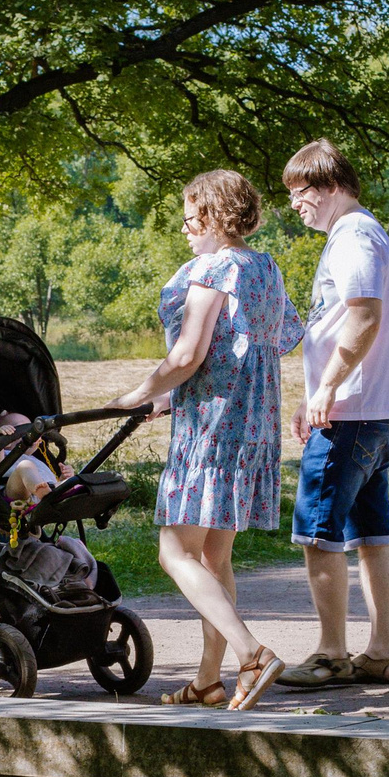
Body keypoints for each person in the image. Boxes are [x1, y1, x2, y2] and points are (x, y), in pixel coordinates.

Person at [103, 169, 305, 710]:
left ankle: (252, 654)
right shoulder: (265, 267)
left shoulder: (213, 269)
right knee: (216, 558)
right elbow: (271, 340)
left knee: (175, 552)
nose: (187, 230)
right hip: (252, 420)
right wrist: (171, 398)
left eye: (192, 219)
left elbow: (189, 354)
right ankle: (210, 682)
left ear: (215, 217)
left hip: (213, 427)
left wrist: (139, 392)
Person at [275, 140, 389, 690]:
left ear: (330, 185)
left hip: (350, 413)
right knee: (372, 533)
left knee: (318, 532)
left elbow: (364, 316)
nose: (295, 205)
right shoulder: (363, 233)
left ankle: (331, 654)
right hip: (375, 412)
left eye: (300, 192)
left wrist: (325, 388)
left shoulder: (353, 236)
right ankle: (382, 653)